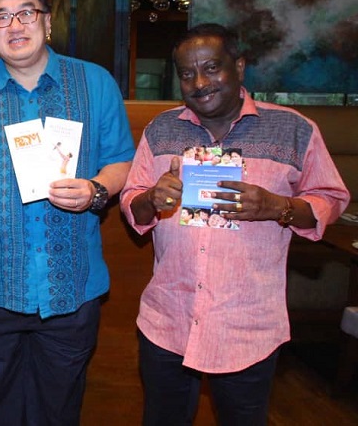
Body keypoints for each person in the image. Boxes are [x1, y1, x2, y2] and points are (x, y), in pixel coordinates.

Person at [120, 23, 350, 426]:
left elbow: (330, 198)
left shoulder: (293, 129)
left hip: (247, 324)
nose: (199, 82)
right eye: (187, 73)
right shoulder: (161, 129)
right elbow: (132, 202)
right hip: (167, 319)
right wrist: (151, 199)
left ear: (239, 67)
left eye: (212, 68)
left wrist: (278, 206)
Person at [0, 0, 134, 425]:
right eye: (1, 17)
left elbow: (122, 160)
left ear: (46, 21)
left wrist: (95, 190)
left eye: (26, 12)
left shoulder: (95, 82)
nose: (15, 25)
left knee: (59, 410)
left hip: (70, 287)